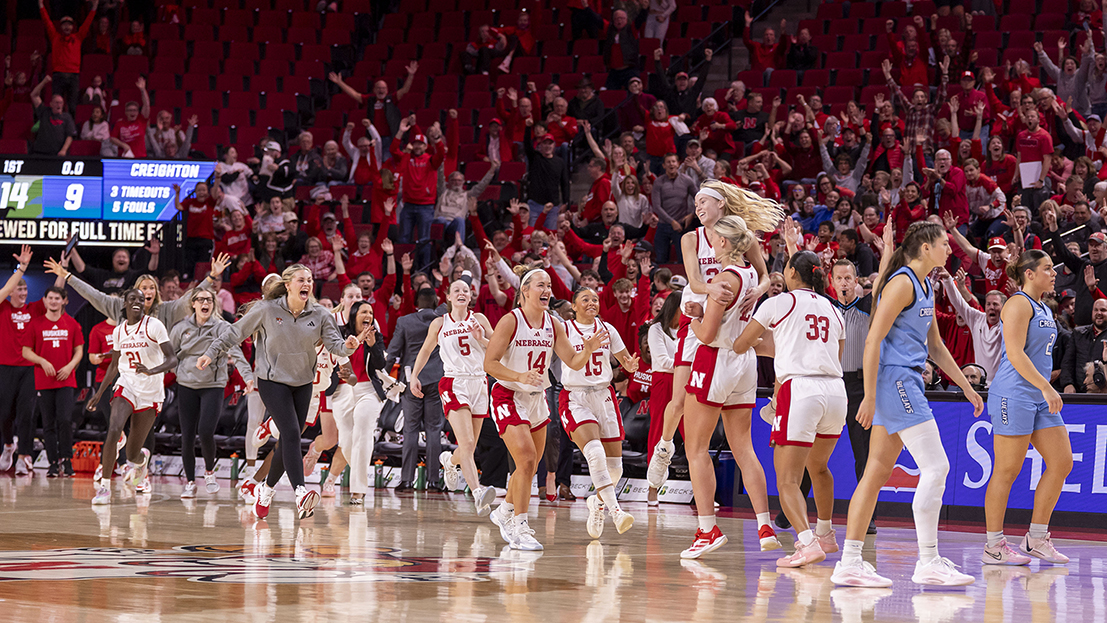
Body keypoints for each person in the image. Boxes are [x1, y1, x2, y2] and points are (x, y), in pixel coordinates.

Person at [831, 221, 984, 588]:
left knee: (876, 472)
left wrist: (965, 386)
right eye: (945, 243)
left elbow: (935, 347)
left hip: (905, 379)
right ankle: (928, 559)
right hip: (896, 381)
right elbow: (872, 340)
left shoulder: (927, 285)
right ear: (926, 248)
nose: (950, 248)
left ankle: (850, 561)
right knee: (937, 466)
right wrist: (869, 395)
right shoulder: (901, 282)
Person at [647, 181, 782, 498]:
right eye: (695, 201)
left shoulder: (737, 235)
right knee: (678, 400)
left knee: (752, 353)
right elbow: (693, 280)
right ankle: (664, 448)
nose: (697, 206)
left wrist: (755, 293)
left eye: (703, 200)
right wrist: (714, 289)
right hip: (696, 315)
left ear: (721, 205)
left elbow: (765, 277)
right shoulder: (690, 237)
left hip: (725, 317)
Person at [198, 265, 365, 520]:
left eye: (309, 279)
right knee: (290, 432)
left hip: (303, 383)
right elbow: (234, 332)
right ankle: (300, 493)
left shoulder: (320, 314)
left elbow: (335, 346)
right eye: (301, 279)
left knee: (289, 439)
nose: (306, 283)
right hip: (271, 381)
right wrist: (210, 353)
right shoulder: (266, 310)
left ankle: (265, 491)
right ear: (288, 285)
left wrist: (348, 346)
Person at [732, 250, 846, 567]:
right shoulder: (833, 308)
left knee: (787, 480)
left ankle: (807, 544)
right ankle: (825, 533)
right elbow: (832, 352)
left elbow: (741, 343)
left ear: (792, 272)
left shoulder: (779, 301)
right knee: (819, 467)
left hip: (801, 390)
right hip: (836, 391)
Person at [484, 267, 607, 551]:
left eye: (549, 285)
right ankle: (521, 526)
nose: (547, 290)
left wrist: (587, 349)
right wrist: (519, 376)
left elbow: (573, 362)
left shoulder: (554, 324)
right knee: (526, 460)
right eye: (541, 285)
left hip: (537, 397)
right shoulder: (510, 321)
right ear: (525, 291)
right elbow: (489, 363)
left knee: (530, 465)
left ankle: (503, 512)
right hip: (508, 394)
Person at [679, 214, 779, 559]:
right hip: (744, 361)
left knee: (695, 448)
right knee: (743, 448)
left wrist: (693, 317)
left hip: (715, 358)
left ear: (722, 242)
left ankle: (708, 529)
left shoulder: (723, 277)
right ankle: (764, 525)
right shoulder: (751, 274)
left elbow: (706, 334)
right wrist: (704, 309)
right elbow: (724, 314)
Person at [983, 249, 1072, 566]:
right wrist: (1047, 386)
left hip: (1037, 394)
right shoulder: (1018, 303)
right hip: (1014, 394)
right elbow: (1016, 354)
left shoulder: (1043, 306)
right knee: (1007, 471)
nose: (1054, 273)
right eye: (1048, 268)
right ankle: (993, 545)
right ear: (1029, 274)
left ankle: (1036, 538)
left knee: (1062, 463)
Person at [410, 277, 497, 513]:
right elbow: (426, 349)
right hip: (454, 382)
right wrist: (414, 376)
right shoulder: (440, 323)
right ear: (448, 297)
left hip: (479, 382)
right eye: (456, 290)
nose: (461, 293)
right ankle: (478, 493)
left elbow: (498, 349)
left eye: (465, 290)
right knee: (467, 443)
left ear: (470, 296)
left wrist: (482, 338)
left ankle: (449, 460)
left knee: (470, 447)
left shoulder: (479, 319)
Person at [560, 287, 639, 539]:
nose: (592, 302)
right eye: (586, 299)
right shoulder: (565, 330)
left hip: (604, 396)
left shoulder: (608, 329)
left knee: (615, 468)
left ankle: (598, 503)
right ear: (574, 306)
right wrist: (588, 348)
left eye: (595, 299)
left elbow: (625, 359)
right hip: (575, 396)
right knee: (594, 453)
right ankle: (616, 512)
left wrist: (629, 365)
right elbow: (572, 361)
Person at [87, 289, 180, 505]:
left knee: (132, 455)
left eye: (141, 299)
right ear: (125, 304)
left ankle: (140, 461)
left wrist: (150, 370)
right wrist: (99, 393)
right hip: (126, 383)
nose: (138, 302)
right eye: (133, 299)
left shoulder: (154, 325)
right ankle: (104, 488)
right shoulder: (119, 331)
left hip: (151, 391)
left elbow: (172, 359)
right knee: (113, 429)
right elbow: (113, 365)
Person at [170, 289, 255, 498]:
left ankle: (209, 472)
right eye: (200, 300)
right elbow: (170, 356)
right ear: (193, 304)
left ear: (214, 304)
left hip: (213, 385)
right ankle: (190, 482)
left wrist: (248, 377)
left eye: (209, 300)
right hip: (187, 385)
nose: (205, 303)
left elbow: (237, 353)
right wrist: (181, 371)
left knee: (206, 431)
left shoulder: (222, 327)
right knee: (187, 436)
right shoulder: (181, 328)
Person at [387, 287, 446, 491]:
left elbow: (392, 352)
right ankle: (433, 481)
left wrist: (384, 378)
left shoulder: (404, 321)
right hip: (436, 379)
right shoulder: (443, 318)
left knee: (410, 430)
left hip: (412, 379)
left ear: (416, 303)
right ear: (436, 301)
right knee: (434, 430)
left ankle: (406, 480)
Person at [20, 287, 83, 478]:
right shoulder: (35, 324)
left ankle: (67, 460)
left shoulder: (72, 324)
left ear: (64, 301)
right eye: (50, 298)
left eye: (57, 298)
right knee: (48, 423)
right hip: (44, 381)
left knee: (65, 420)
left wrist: (70, 366)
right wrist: (42, 361)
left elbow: (79, 350)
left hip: (66, 380)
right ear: (45, 300)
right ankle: (53, 463)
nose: (54, 301)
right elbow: (26, 351)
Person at [0, 246, 39, 474]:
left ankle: (24, 455)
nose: (22, 293)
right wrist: (21, 267)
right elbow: (5, 289)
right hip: (5, 367)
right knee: (4, 413)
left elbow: (57, 296)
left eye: (25, 289)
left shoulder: (33, 310)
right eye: (19, 289)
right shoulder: (3, 307)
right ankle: (8, 446)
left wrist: (63, 271)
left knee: (27, 413)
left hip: (28, 368)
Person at [645, 292, 681, 505]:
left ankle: (702, 490)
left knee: (693, 435)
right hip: (663, 382)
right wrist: (686, 363)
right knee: (659, 432)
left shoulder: (690, 329)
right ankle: (652, 488)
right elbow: (663, 361)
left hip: (684, 382)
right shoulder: (655, 329)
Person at [39, 0, 98, 114]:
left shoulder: (78, 38)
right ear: (61, 26)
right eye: (64, 25)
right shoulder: (55, 37)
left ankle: (71, 130)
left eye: (69, 25)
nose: (67, 27)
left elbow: (87, 23)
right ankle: (57, 128)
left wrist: (94, 8)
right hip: (58, 75)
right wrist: (41, 5)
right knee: (56, 104)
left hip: (73, 76)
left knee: (72, 106)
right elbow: (46, 21)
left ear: (72, 26)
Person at [29, 78, 76, 156]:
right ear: (51, 104)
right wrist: (44, 82)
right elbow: (33, 95)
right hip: (40, 153)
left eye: (61, 103)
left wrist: (63, 150)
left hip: (57, 154)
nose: (59, 105)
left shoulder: (67, 117)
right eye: (57, 102)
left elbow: (70, 136)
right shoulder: (44, 112)